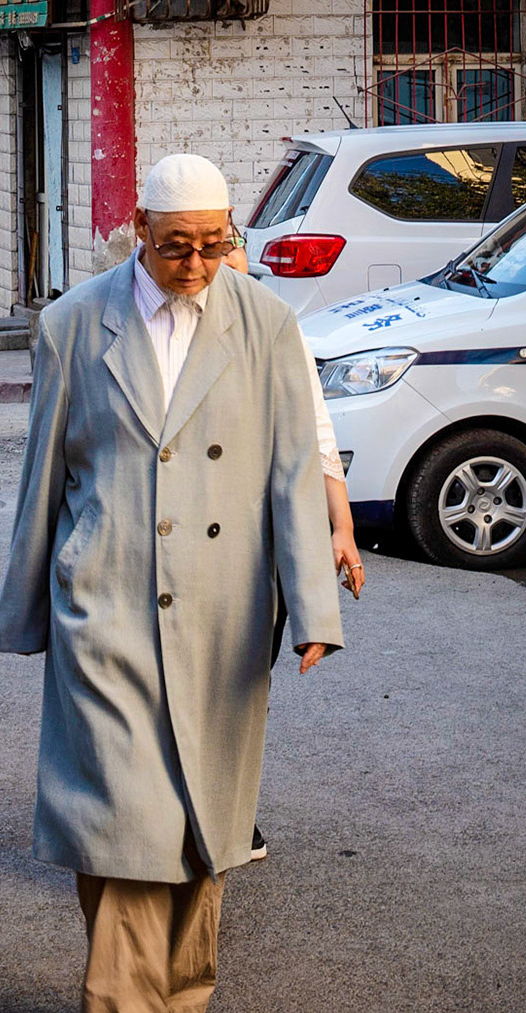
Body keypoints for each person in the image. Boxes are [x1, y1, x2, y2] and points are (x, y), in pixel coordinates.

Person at [0, 154, 344, 1013]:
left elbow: (290, 466)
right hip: (102, 601)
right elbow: (44, 473)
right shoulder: (72, 323)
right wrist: (29, 605)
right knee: (121, 815)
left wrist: (314, 607)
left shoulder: (265, 321)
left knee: (203, 816)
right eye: (177, 244)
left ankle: (180, 997)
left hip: (226, 605)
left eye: (215, 243)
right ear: (137, 227)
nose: (197, 263)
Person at [223, 224, 363, 862]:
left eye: (228, 246)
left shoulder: (274, 327)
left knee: (243, 682)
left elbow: (316, 430)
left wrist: (342, 529)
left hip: (256, 541)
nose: (221, 262)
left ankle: (230, 811)